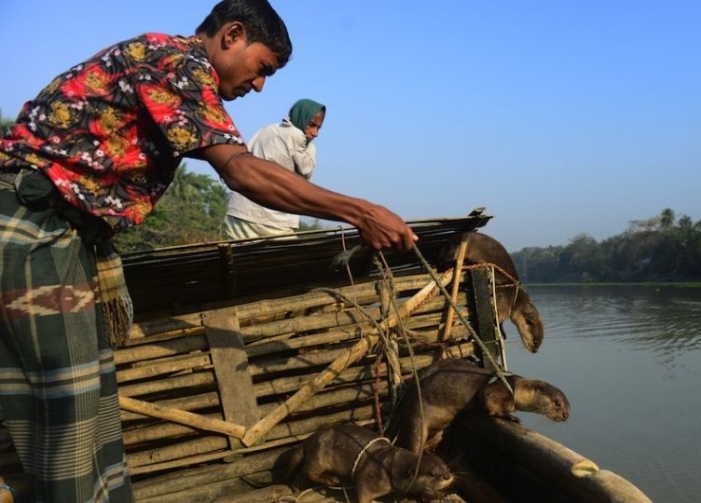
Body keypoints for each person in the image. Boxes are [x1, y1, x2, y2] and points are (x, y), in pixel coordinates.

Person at [0, 1, 417, 501]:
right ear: (232, 35)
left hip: (67, 239)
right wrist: (362, 212)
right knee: (64, 412)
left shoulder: (179, 69)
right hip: (31, 226)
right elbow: (242, 171)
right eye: (262, 69)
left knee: (94, 404)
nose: (260, 86)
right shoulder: (172, 61)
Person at [224, 98, 326, 239]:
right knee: (287, 260)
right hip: (274, 219)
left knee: (239, 259)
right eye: (311, 125)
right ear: (301, 117)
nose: (315, 133)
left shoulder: (267, 130)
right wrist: (310, 150)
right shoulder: (296, 136)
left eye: (318, 128)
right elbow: (306, 171)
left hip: (240, 212)